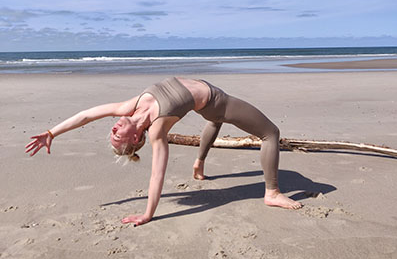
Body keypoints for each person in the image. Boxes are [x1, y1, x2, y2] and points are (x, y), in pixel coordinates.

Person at [25, 77, 302, 226]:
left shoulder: (127, 107)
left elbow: (86, 115)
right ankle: (272, 192)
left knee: (214, 122)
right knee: (270, 134)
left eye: (111, 133)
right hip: (218, 101)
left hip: (208, 101)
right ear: (135, 139)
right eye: (116, 138)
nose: (112, 130)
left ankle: (199, 164)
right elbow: (157, 177)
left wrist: (51, 133)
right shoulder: (157, 131)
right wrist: (147, 214)